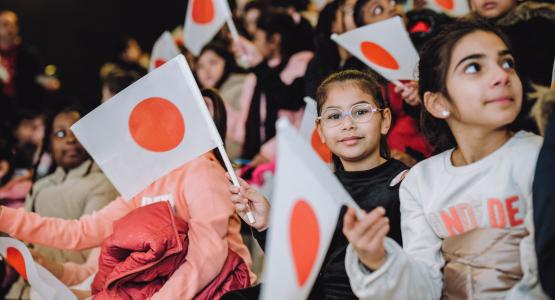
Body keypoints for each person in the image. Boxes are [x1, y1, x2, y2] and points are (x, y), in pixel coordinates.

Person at [344, 19, 547, 299]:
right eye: (474, 67)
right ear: (438, 103)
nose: (502, 76)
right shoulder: (421, 181)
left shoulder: (540, 158)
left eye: (507, 63)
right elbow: (424, 286)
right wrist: (377, 259)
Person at [0, 90, 256, 299]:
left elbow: (207, 258)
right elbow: (80, 232)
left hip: (222, 289)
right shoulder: (146, 181)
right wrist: (3, 217)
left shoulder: (201, 170)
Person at [225, 70, 408, 299]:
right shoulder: (317, 187)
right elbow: (298, 264)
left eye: (360, 112)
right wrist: (266, 224)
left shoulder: (406, 185)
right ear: (320, 130)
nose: (347, 124)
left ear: (385, 120)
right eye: (334, 116)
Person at [5, 107, 119, 299]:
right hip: (21, 288)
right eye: (60, 133)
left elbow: (92, 249)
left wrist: (45, 262)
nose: (70, 139)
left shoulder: (103, 183)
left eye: (77, 130)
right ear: (49, 143)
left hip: (65, 286)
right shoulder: (40, 185)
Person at [196, 42, 248, 159]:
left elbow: (248, 133)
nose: (206, 71)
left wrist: (216, 104)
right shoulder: (202, 99)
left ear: (226, 61)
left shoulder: (244, 83)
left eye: (213, 63)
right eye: (200, 66)